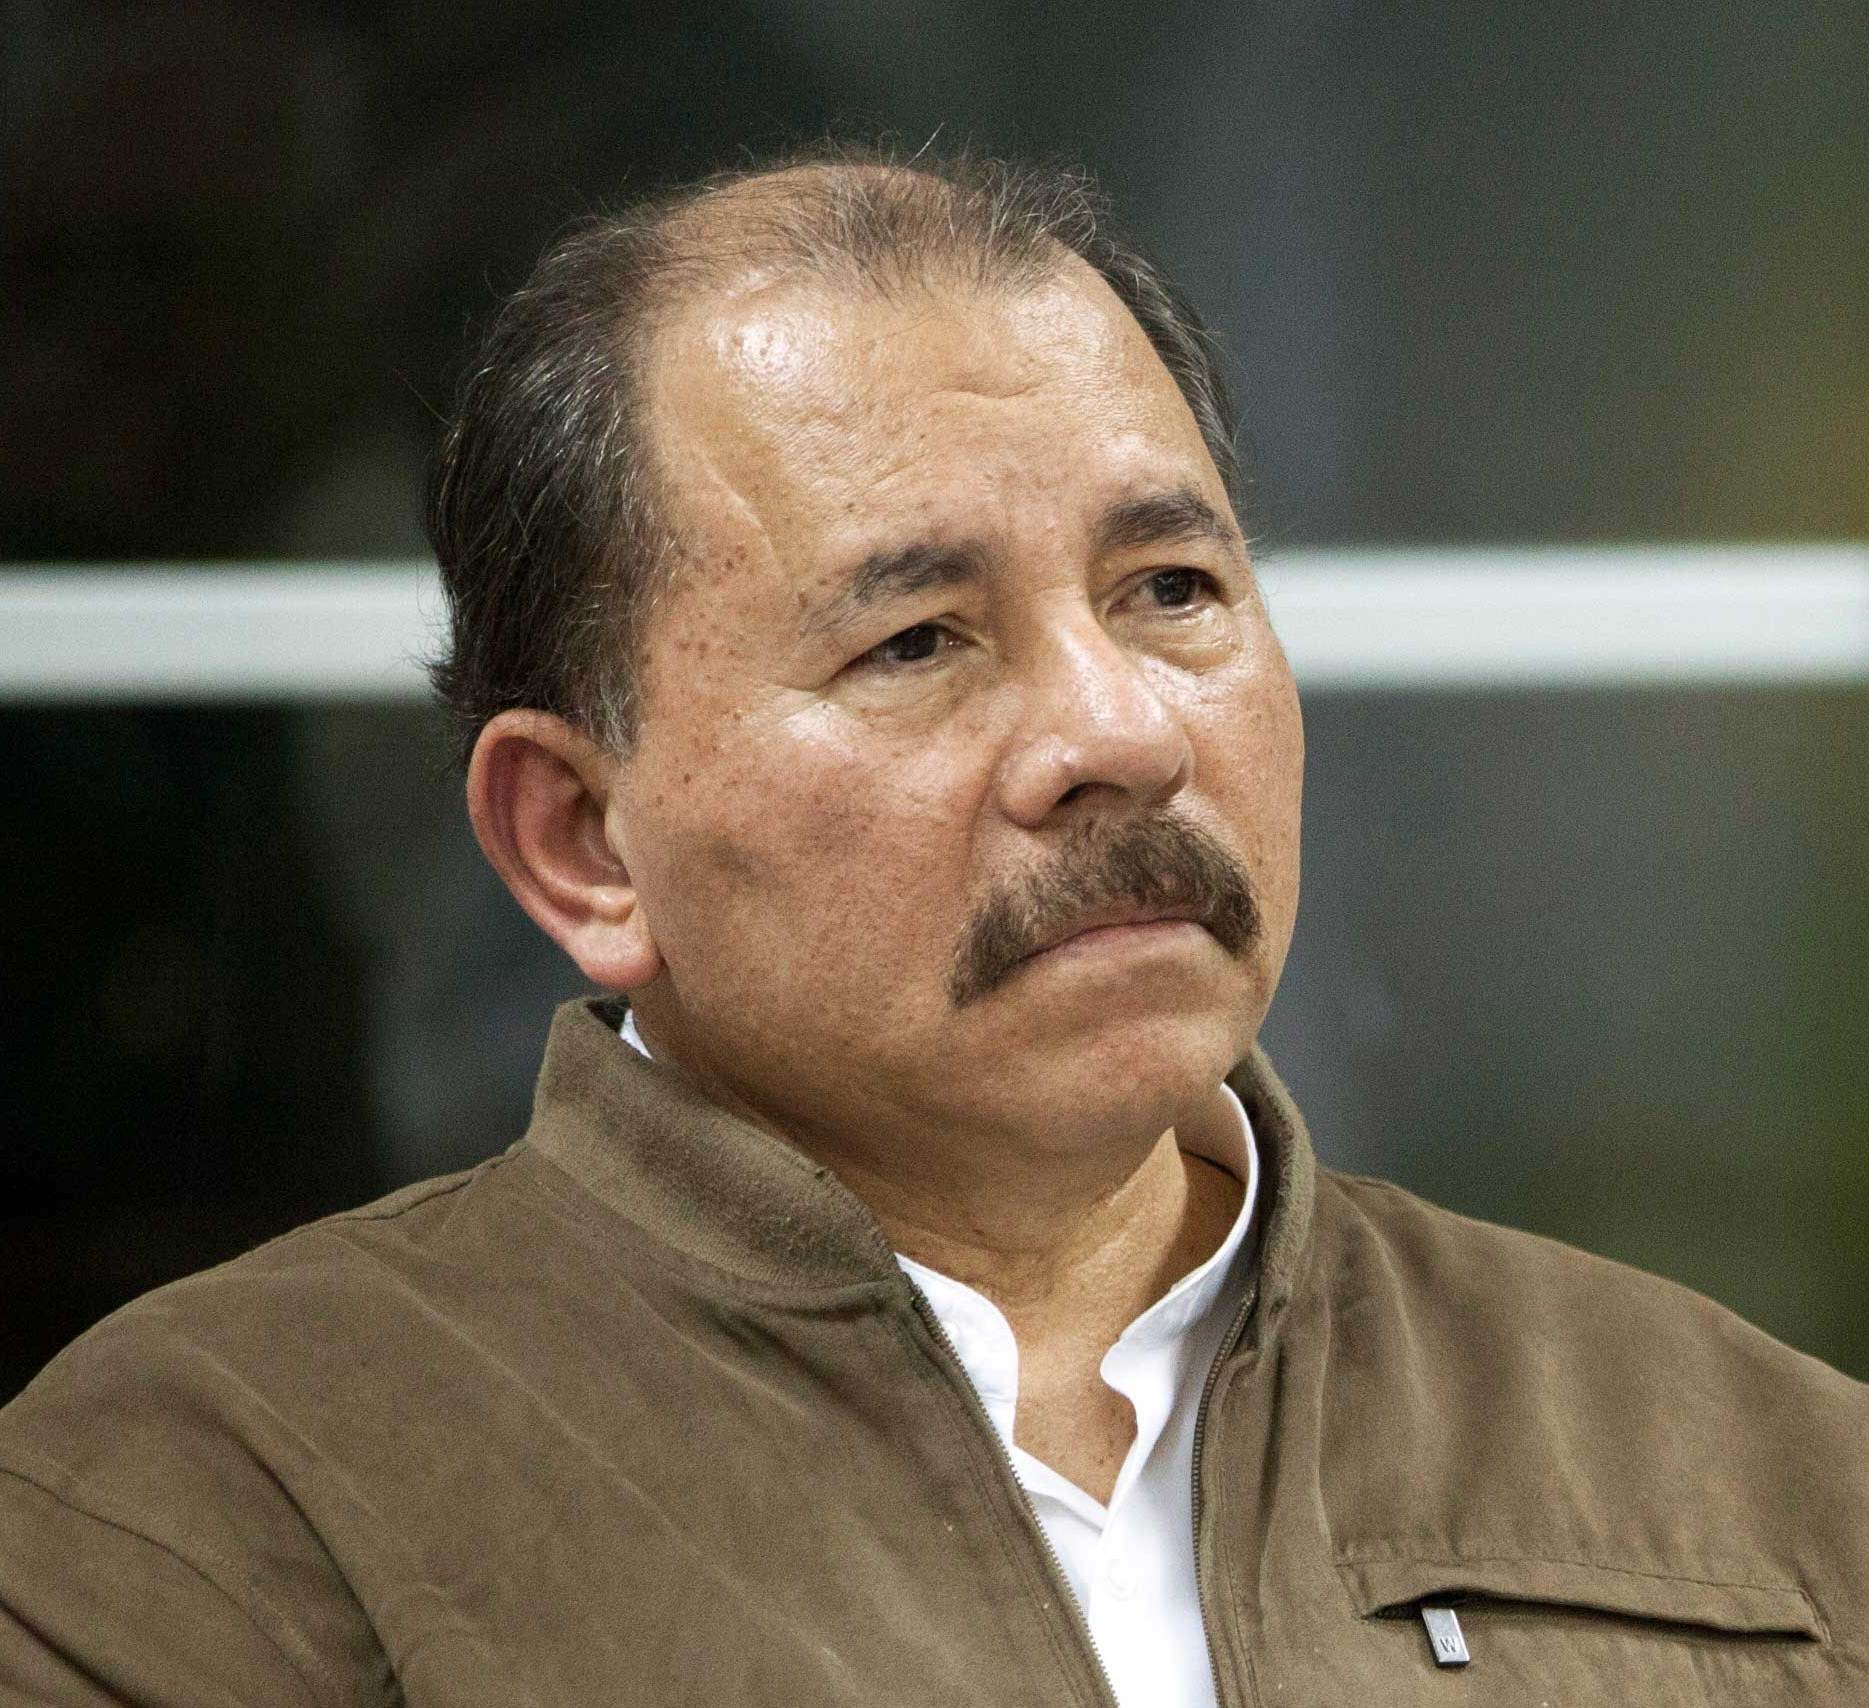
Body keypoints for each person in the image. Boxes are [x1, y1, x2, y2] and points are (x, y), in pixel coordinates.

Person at [1, 143, 1863, 1706]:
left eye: (1170, 588)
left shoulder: (1750, 1474)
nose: (1118, 735)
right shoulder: (207, 1512)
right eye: (914, 642)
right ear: (581, 844)